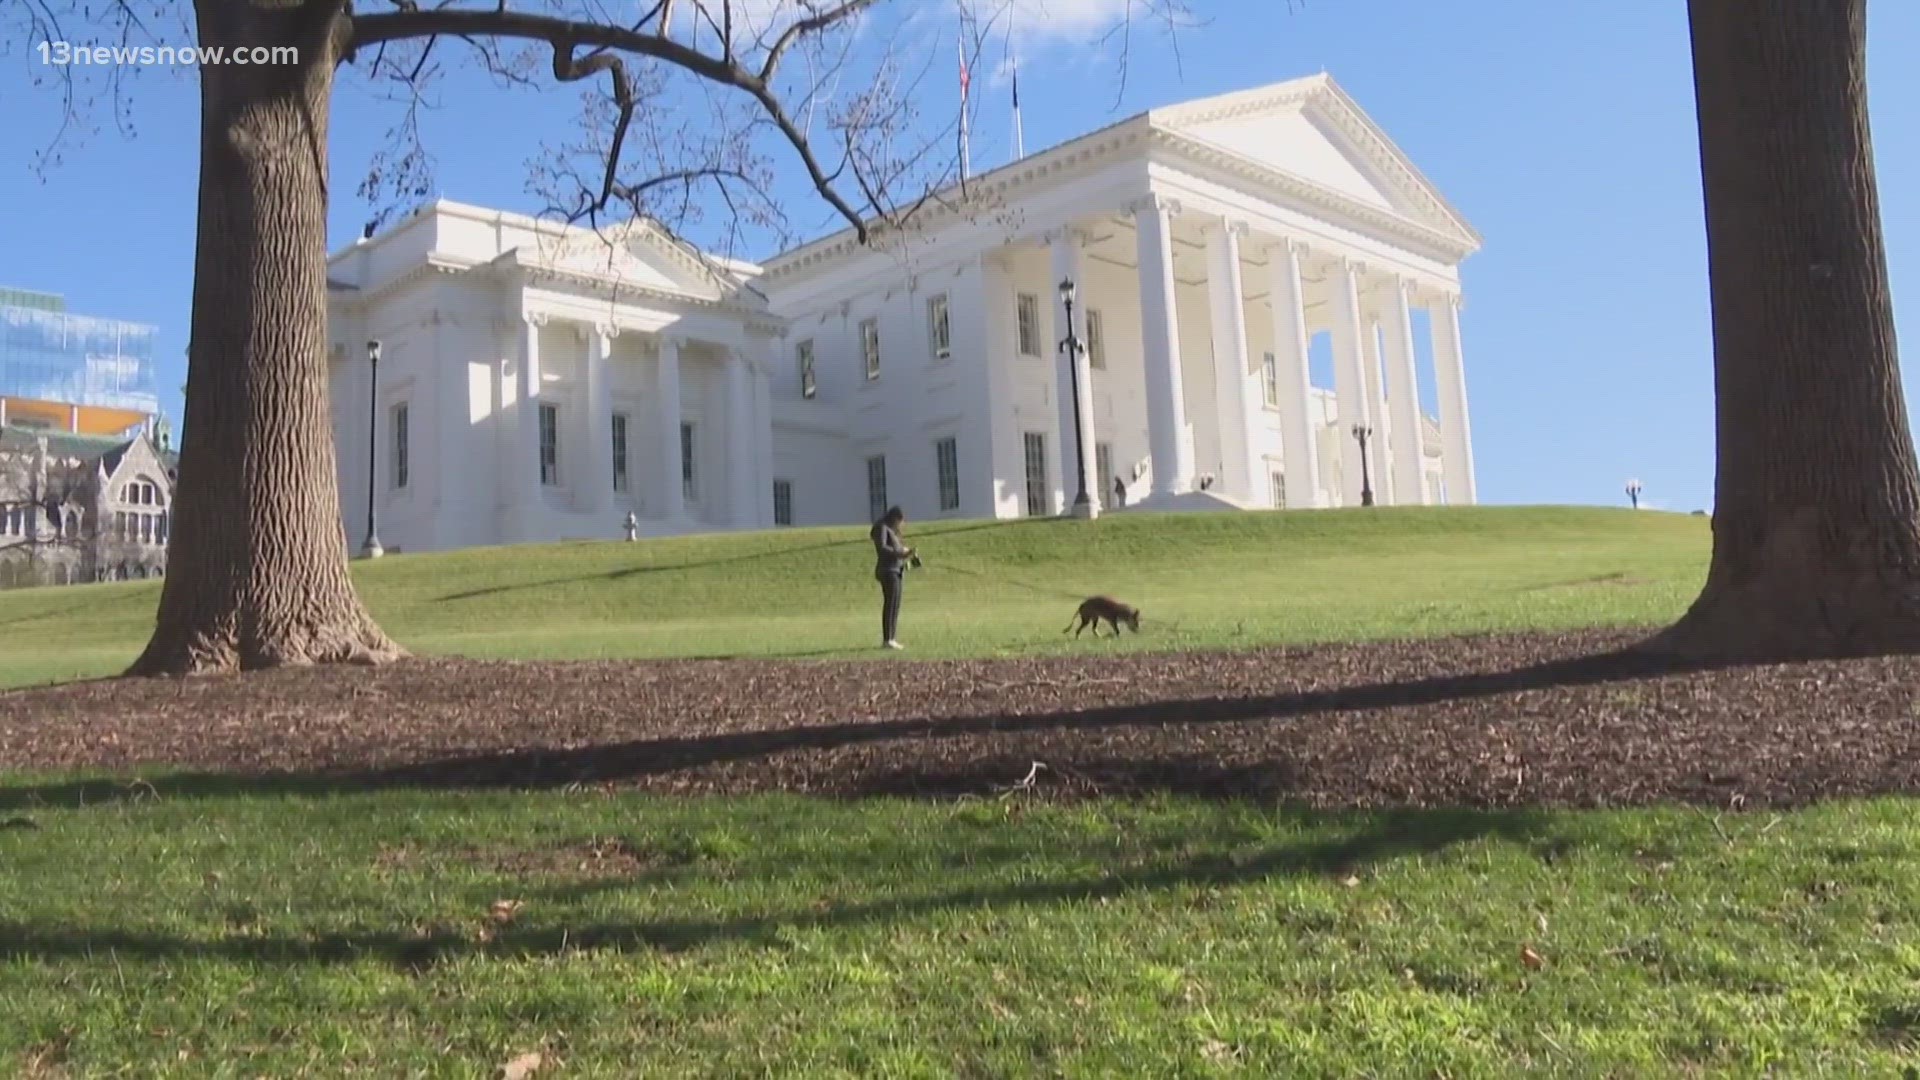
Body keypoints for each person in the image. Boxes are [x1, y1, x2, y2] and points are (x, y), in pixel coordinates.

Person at [870, 505, 915, 649]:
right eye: (900, 521)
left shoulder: (892, 531)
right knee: (890, 604)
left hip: (896, 570)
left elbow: (895, 550)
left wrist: (907, 555)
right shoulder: (882, 527)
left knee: (895, 604)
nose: (900, 525)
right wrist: (900, 552)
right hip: (888, 571)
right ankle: (887, 638)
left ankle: (892, 637)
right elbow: (882, 547)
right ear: (895, 518)